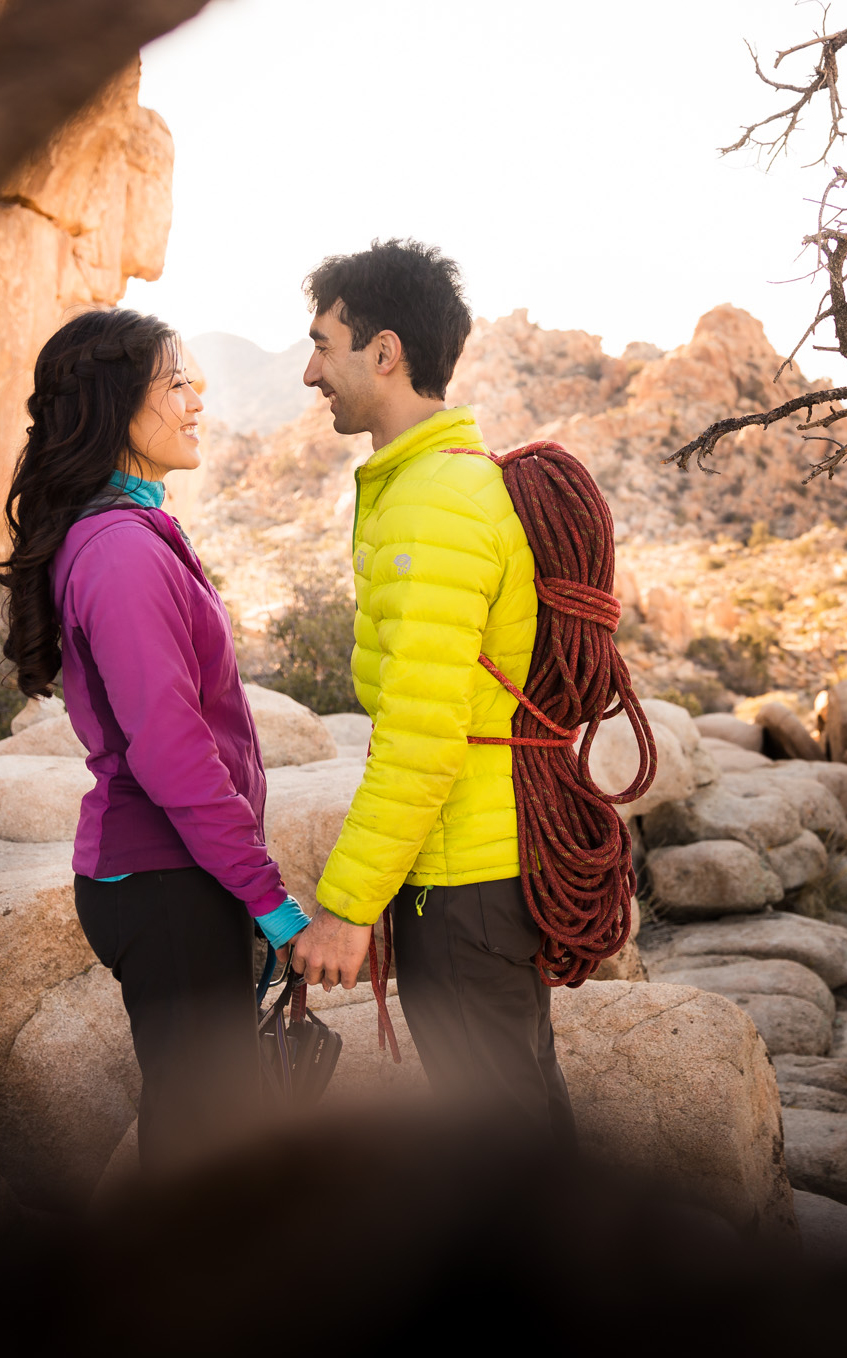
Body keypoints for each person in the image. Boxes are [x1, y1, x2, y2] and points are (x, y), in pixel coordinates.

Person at [0, 308, 312, 1169]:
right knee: (205, 1144)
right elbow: (171, 753)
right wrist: (271, 901)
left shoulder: (128, 531)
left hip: (172, 878)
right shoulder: (120, 551)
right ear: (115, 405)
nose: (196, 397)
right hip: (164, 884)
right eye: (175, 381)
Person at [286, 239, 573, 1137]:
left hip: (465, 885)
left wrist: (346, 909)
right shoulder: (437, 483)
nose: (308, 372)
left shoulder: (433, 501)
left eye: (324, 345)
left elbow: (420, 733)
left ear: (385, 351)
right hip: (478, 870)